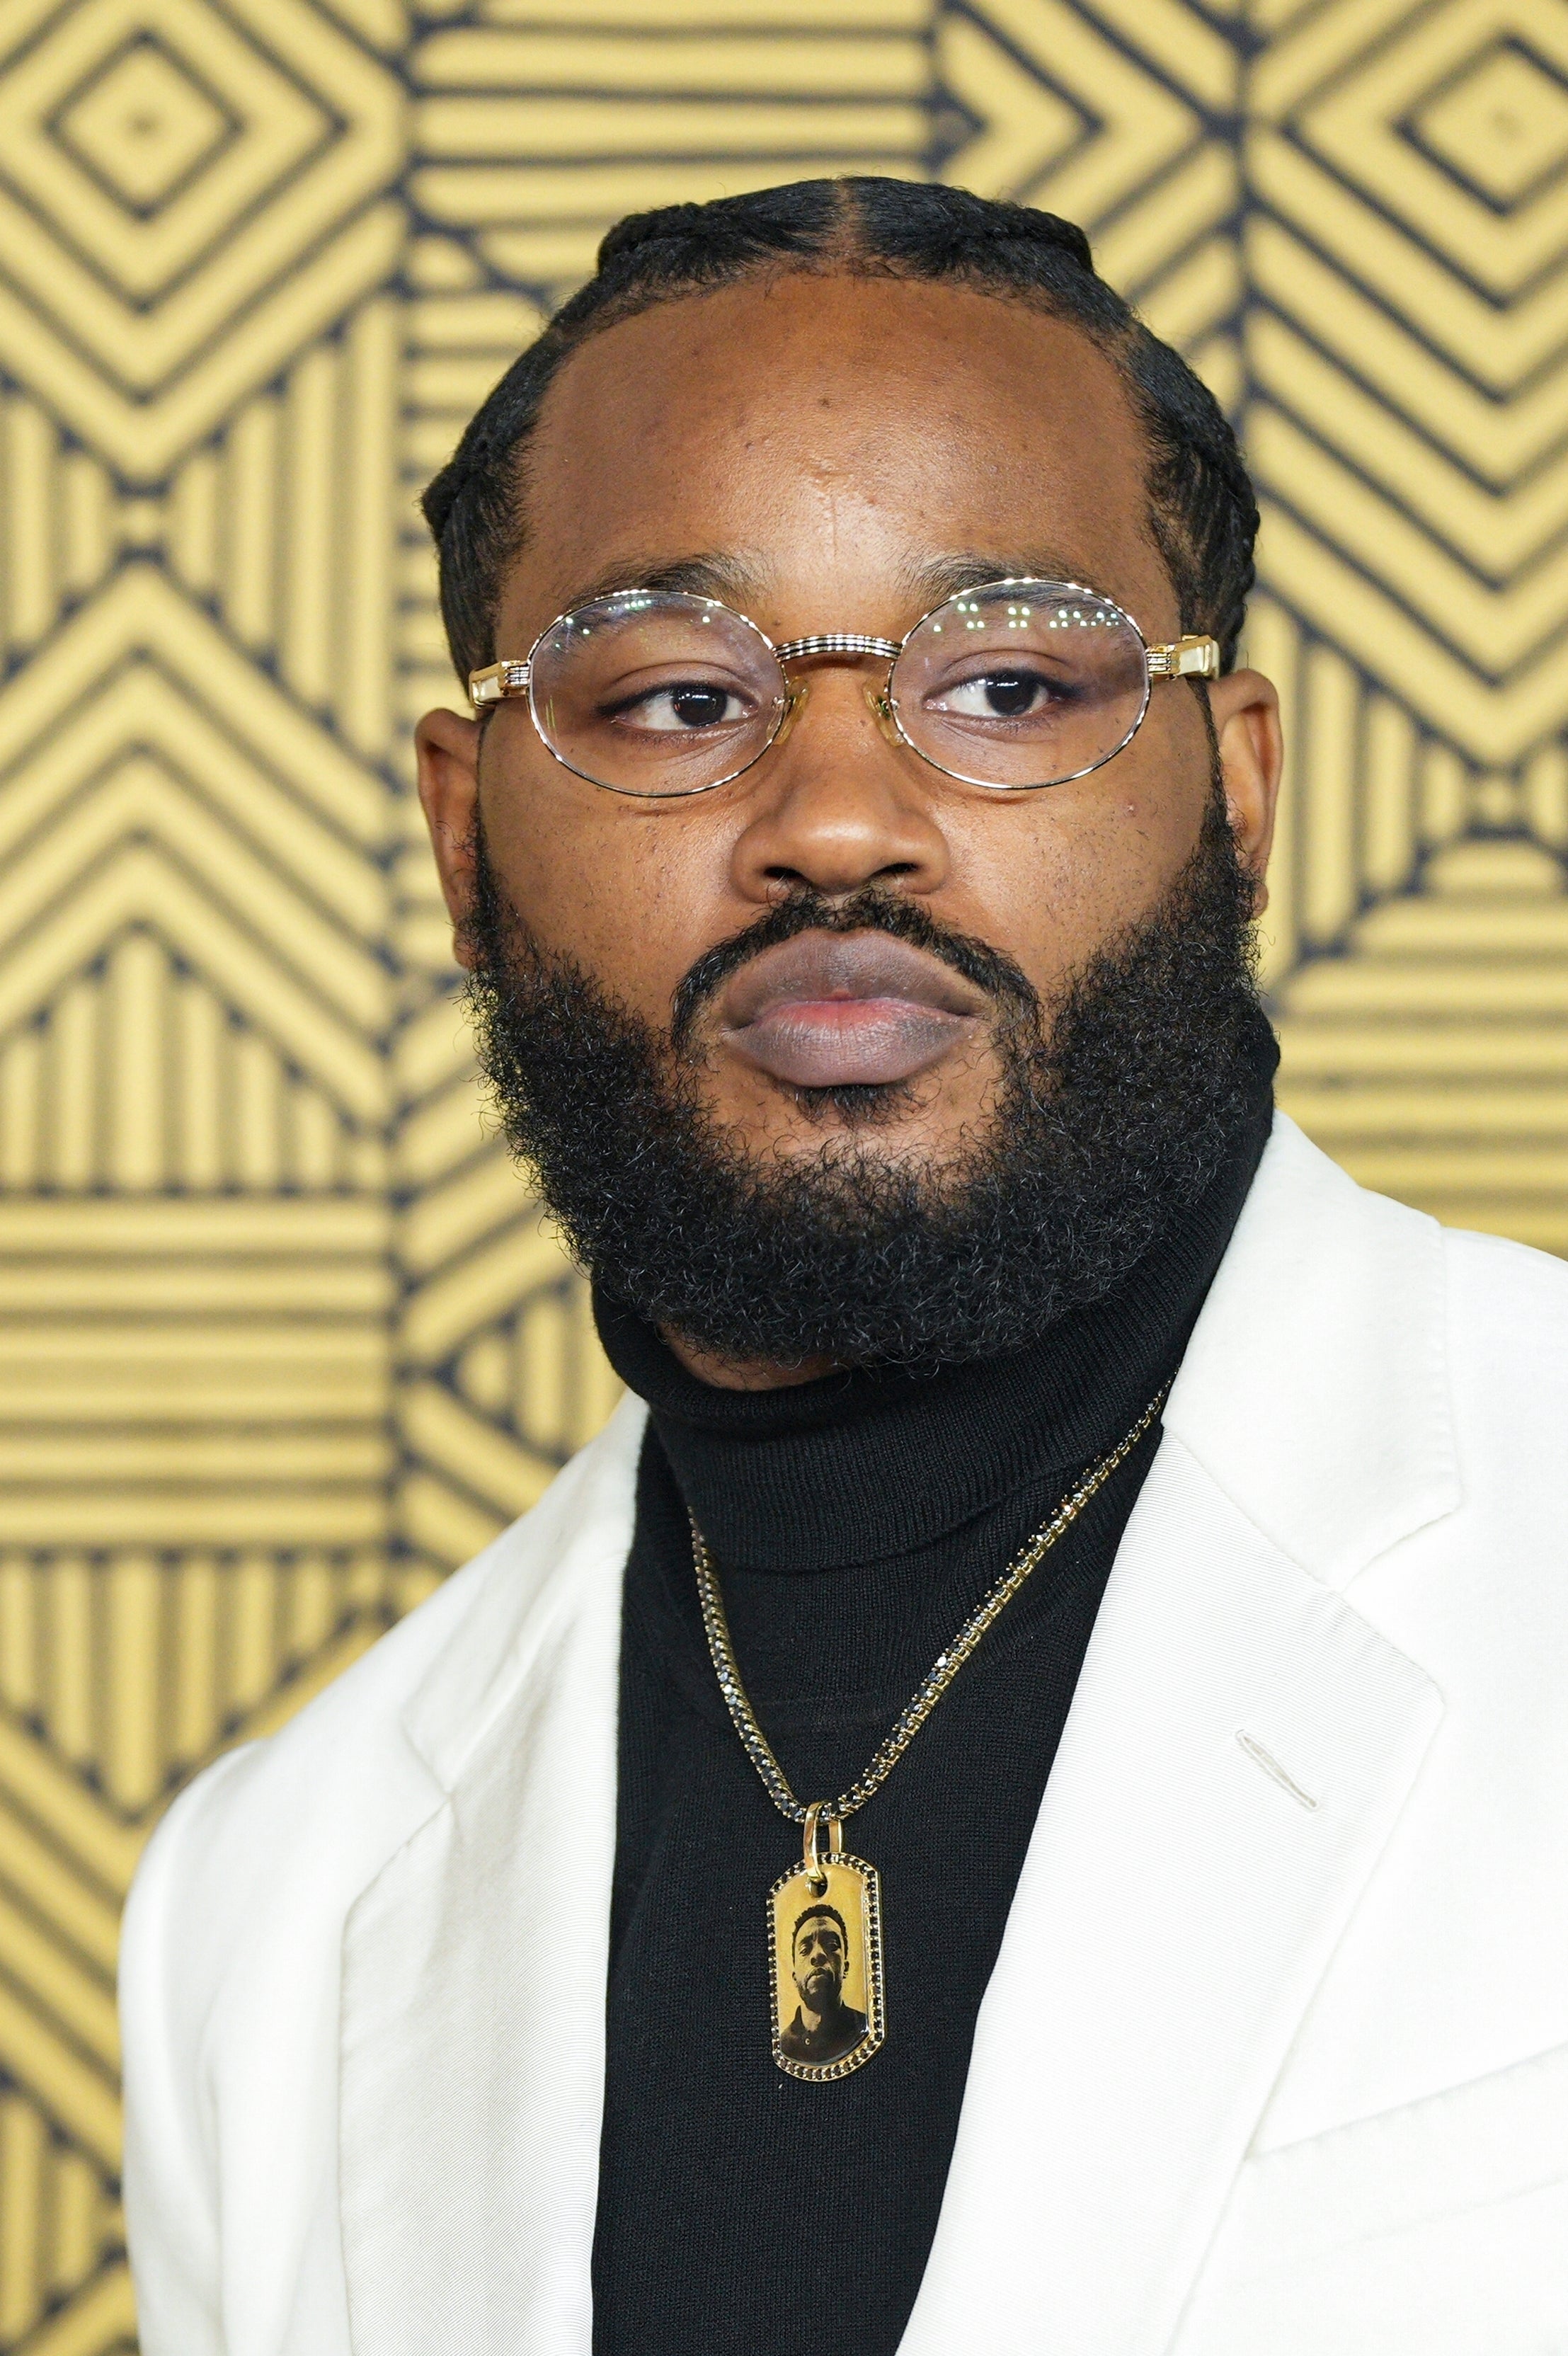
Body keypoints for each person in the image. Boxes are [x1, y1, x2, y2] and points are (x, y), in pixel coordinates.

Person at [120, 178, 1568, 2356]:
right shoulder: (266, 1903)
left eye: (1006, 680)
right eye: (671, 697)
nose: (832, 818)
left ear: (1239, 786)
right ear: (461, 837)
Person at [779, 1904, 868, 2067]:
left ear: (845, 1968)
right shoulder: (783, 2047)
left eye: (831, 1945)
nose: (818, 1954)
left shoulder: (865, 2030)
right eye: (805, 1949)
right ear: (794, 1977)